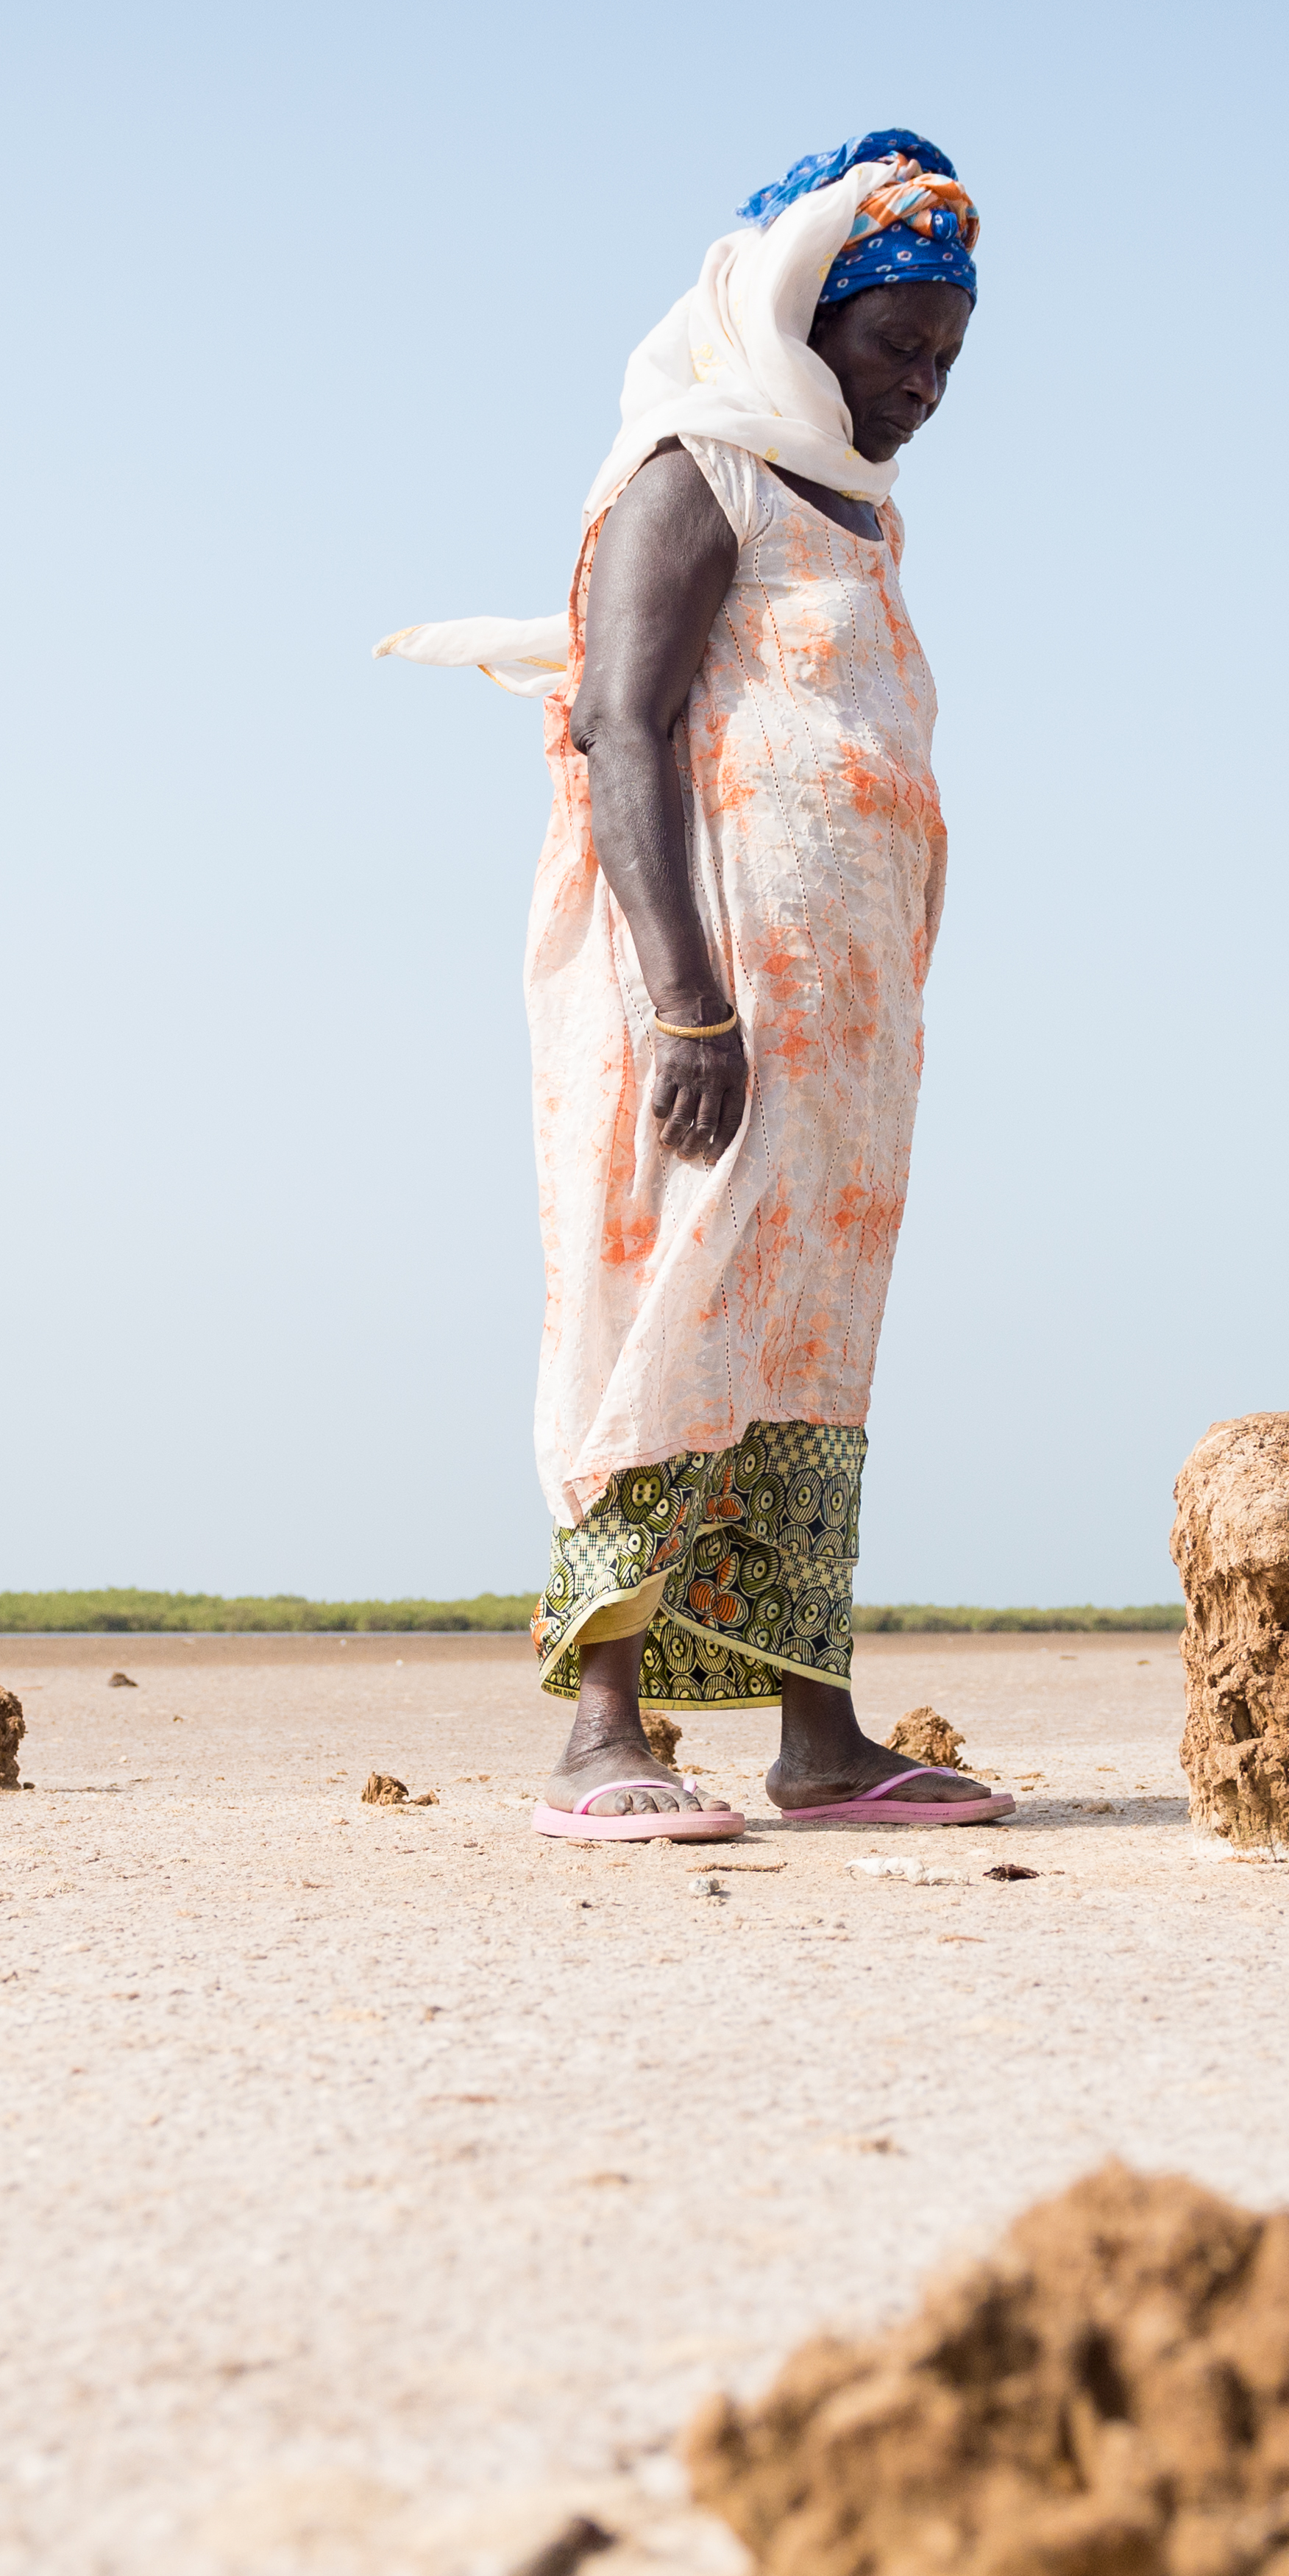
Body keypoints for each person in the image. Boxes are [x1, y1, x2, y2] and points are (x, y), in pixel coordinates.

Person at [381, 132, 1019, 1843]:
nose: (923, 386)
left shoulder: (855, 515)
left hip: (839, 1033)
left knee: (800, 1341)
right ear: (801, 318)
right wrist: (686, 1000)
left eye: (948, 360)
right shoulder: (694, 472)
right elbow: (617, 725)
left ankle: (818, 1739)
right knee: (662, 1312)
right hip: (702, 999)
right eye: (898, 345)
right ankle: (605, 1729)